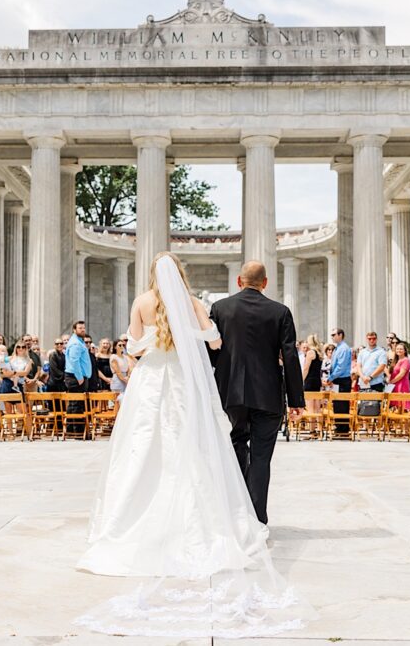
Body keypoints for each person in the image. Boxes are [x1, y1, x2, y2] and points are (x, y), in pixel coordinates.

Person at [76, 253, 306, 638]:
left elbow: (132, 348)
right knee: (194, 449)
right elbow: (214, 340)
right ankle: (242, 517)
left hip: (152, 381)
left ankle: (131, 519)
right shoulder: (195, 302)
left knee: (143, 448)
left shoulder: (142, 303)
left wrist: (153, 340)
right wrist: (191, 337)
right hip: (187, 380)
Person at [209, 260, 305, 525]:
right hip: (268, 394)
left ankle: (238, 514)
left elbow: (210, 353)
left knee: (238, 443)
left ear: (238, 281)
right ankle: (257, 519)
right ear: (265, 283)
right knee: (262, 456)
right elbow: (290, 357)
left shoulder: (220, 309)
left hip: (231, 393)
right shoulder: (280, 311)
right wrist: (296, 400)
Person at [64, 321, 92, 434]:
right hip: (76, 377)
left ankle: (71, 431)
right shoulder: (76, 343)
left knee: (73, 404)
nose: (83, 330)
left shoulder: (78, 341)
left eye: (84, 328)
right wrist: (80, 377)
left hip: (75, 376)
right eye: (80, 328)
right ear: (74, 330)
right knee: (77, 405)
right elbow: (74, 361)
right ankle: (78, 432)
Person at [328, 328, 352, 434]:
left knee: (342, 404)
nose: (332, 337)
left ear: (340, 335)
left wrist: (331, 377)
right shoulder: (338, 348)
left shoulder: (344, 348)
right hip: (338, 379)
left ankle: (343, 428)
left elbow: (341, 367)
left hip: (343, 380)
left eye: (334, 335)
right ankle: (339, 426)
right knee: (337, 404)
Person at [388, 342, 410, 409]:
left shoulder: (406, 360)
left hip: (402, 385)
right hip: (394, 386)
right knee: (394, 406)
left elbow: (401, 374)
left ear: (405, 351)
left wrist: (391, 381)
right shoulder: (396, 361)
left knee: (402, 404)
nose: (399, 350)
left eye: (401, 349)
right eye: (397, 349)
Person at [109, 338, 132, 407]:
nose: (122, 346)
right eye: (120, 345)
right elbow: (118, 372)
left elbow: (128, 369)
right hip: (118, 380)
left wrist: (128, 377)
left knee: (125, 401)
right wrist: (126, 380)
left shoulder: (125, 357)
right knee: (118, 401)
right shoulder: (113, 357)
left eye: (123, 345)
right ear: (115, 347)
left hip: (125, 379)